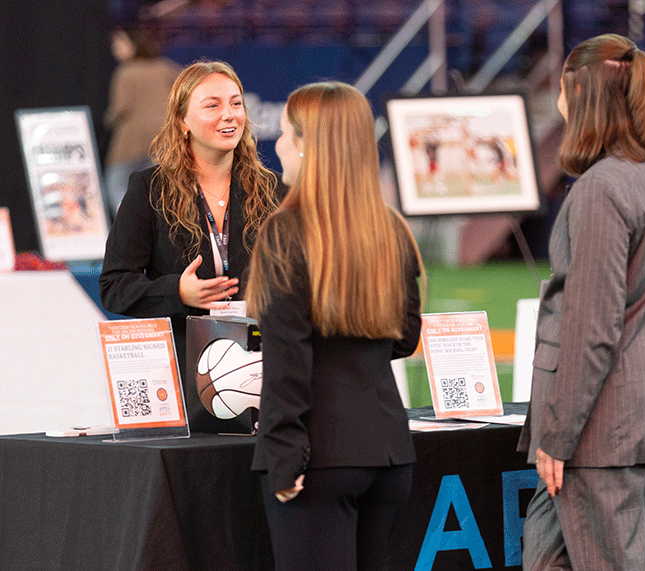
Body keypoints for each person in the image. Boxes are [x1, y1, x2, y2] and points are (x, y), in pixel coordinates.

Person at [516, 34, 645, 571]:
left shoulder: (602, 187)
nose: (558, 103)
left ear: (583, 94)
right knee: (546, 553)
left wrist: (558, 434)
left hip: (600, 431)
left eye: (563, 89)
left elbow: (593, 329)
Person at [245, 81, 425, 571]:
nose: (276, 145)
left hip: (317, 460)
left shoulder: (286, 231)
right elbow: (404, 337)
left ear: (307, 144)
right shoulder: (391, 228)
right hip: (387, 454)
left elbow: (287, 358)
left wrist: (283, 453)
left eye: (283, 134)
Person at [99, 60, 284, 385]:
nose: (229, 114)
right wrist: (178, 292)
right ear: (182, 120)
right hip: (184, 374)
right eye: (212, 105)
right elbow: (115, 286)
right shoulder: (150, 189)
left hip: (265, 373)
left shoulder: (275, 191)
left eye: (236, 103)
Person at [103, 25, 182, 213]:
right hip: (164, 138)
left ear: (134, 44)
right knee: (157, 188)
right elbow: (191, 84)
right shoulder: (164, 67)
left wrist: (108, 118)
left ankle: (128, 227)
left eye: (120, 42)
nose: (115, 48)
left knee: (116, 183)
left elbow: (121, 108)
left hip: (131, 141)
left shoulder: (125, 72)